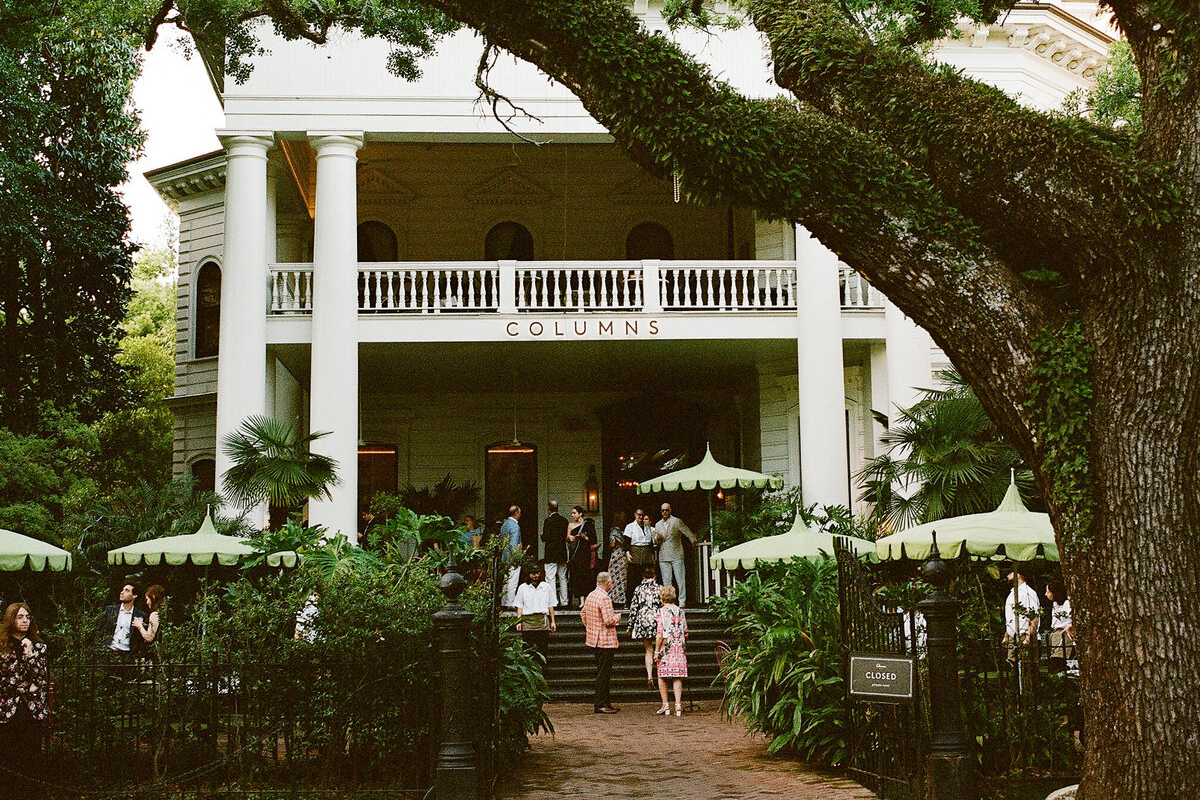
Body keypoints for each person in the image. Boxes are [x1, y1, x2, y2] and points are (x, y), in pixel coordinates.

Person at [0, 603, 49, 799]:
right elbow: (3, 680)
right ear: (11, 619)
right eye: (20, 617)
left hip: (31, 708)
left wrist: (30, 655)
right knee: (8, 751)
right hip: (7, 708)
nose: (24, 621)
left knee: (30, 752)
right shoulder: (2, 646)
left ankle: (29, 792)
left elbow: (41, 678)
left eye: (27, 617)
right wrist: (26, 686)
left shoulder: (38, 646)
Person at [582, 572, 620, 714]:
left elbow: (583, 614)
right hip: (605, 640)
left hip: (594, 639)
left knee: (601, 671)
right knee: (604, 673)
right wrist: (617, 617)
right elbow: (608, 620)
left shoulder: (591, 595)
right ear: (608, 582)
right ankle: (601, 703)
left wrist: (591, 628)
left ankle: (604, 701)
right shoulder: (604, 598)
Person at [654, 502, 699, 607]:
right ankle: (668, 601)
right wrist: (658, 539)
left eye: (666, 510)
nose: (664, 512)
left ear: (670, 510)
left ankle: (682, 600)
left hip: (676, 553)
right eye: (663, 510)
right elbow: (656, 541)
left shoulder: (676, 521)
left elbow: (686, 530)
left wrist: (693, 540)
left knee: (680, 578)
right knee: (666, 580)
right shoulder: (658, 524)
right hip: (664, 554)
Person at [654, 585, 689, 716]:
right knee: (677, 676)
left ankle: (666, 705)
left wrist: (657, 651)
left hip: (666, 647)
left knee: (662, 675)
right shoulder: (680, 611)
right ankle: (678, 705)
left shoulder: (662, 612)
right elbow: (685, 632)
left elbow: (659, 633)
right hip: (678, 647)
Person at [627, 567, 663, 691]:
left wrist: (630, 626)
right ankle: (661, 677)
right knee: (659, 648)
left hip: (642, 619)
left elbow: (633, 608)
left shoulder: (638, 589)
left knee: (648, 650)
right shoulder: (660, 588)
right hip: (657, 619)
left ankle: (649, 676)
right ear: (655, 576)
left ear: (643, 577)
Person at [514, 564, 557, 664]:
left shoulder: (546, 587)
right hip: (528, 622)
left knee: (543, 648)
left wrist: (553, 621)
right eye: (533, 573)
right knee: (527, 648)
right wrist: (518, 622)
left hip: (542, 621)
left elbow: (551, 605)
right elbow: (519, 606)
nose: (535, 576)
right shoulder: (522, 588)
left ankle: (542, 669)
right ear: (528, 575)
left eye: (537, 573)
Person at [1003, 564, 1040, 665]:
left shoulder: (1028, 593)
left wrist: (1028, 637)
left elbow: (1034, 616)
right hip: (1013, 635)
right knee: (1013, 666)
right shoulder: (1012, 593)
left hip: (1024, 634)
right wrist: (1007, 635)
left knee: (1026, 666)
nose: (1007, 575)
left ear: (1017, 574)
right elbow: (1010, 617)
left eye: (1010, 573)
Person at [102, 582, 147, 662]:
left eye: (127, 590)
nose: (122, 592)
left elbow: (139, 639)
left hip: (127, 656)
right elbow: (100, 630)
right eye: (122, 590)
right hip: (109, 652)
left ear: (134, 596)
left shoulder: (139, 615)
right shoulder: (110, 610)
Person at [567, 506, 597, 607]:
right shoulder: (571, 524)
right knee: (576, 576)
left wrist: (585, 537)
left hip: (584, 553)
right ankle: (581, 600)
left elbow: (593, 539)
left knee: (585, 575)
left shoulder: (588, 524)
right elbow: (567, 538)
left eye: (574, 513)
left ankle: (587, 598)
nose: (572, 515)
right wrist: (570, 537)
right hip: (575, 553)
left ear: (580, 514)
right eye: (572, 513)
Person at [541, 500, 570, 607]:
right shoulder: (564, 521)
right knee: (562, 577)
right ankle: (564, 601)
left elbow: (546, 537)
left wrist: (542, 535)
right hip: (562, 552)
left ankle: (553, 602)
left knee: (550, 578)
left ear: (549, 509)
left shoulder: (548, 521)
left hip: (551, 553)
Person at [1046, 579, 1075, 673]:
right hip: (1056, 634)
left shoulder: (1067, 603)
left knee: (1058, 660)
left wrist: (1070, 626)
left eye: (1048, 592)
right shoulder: (1055, 605)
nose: (1046, 594)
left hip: (1065, 633)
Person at [624, 508, 655, 595]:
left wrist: (652, 555)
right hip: (635, 552)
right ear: (635, 515)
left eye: (642, 515)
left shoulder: (647, 527)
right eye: (639, 515)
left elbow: (651, 543)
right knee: (633, 577)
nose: (640, 517)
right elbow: (626, 542)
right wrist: (627, 553)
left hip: (646, 553)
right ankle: (631, 599)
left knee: (646, 576)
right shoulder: (630, 526)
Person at [134, 584, 166, 662]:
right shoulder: (164, 613)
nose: (147, 602)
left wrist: (139, 626)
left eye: (147, 599)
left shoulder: (154, 614)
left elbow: (149, 637)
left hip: (155, 655)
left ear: (154, 598)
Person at [501, 505, 523, 606]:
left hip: (504, 557)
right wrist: (514, 558)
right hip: (512, 558)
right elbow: (513, 544)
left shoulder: (504, 524)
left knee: (506, 580)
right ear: (517, 513)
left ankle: (504, 602)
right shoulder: (515, 526)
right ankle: (510, 603)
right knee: (513, 581)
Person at [606, 527, 628, 606]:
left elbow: (612, 544)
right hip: (623, 555)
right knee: (623, 578)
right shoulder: (623, 531)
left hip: (616, 554)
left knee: (613, 577)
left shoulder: (613, 531)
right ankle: (622, 599)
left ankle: (614, 598)